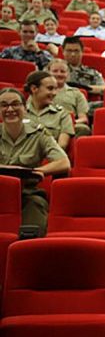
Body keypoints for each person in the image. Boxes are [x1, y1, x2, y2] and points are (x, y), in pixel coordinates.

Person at [0, 87, 70, 232]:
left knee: (36, 204)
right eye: (4, 105)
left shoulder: (38, 133)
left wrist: (36, 171)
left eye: (15, 104)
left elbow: (64, 163)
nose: (10, 109)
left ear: (24, 108)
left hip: (26, 192)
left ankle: (28, 245)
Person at [24, 70, 74, 150]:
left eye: (55, 89)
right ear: (34, 89)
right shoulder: (19, 112)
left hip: (49, 158)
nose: (54, 93)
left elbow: (62, 146)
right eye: (50, 88)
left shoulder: (62, 114)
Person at [47, 58, 91, 137]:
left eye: (62, 71)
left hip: (69, 125)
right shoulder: (39, 91)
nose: (59, 74)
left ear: (67, 74)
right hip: (45, 124)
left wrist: (66, 123)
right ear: (48, 73)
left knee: (83, 129)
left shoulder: (76, 93)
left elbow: (83, 119)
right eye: (55, 71)